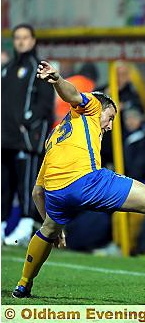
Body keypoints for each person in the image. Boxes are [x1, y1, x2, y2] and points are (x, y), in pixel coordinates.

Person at [12, 61, 145, 299]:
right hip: (88, 181)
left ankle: (23, 284)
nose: (110, 125)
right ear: (101, 107)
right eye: (111, 117)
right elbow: (73, 94)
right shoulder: (92, 107)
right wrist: (58, 80)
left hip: (57, 193)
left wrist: (53, 223)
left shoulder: (55, 136)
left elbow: (37, 192)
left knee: (48, 229)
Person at [1, 23, 55, 246]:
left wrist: (27, 123)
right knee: (4, 185)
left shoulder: (38, 68)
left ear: (33, 41)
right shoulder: (7, 68)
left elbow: (45, 105)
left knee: (27, 186)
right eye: (17, 38)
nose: (21, 42)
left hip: (26, 140)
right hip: (5, 139)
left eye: (25, 38)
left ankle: (26, 226)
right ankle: (3, 225)